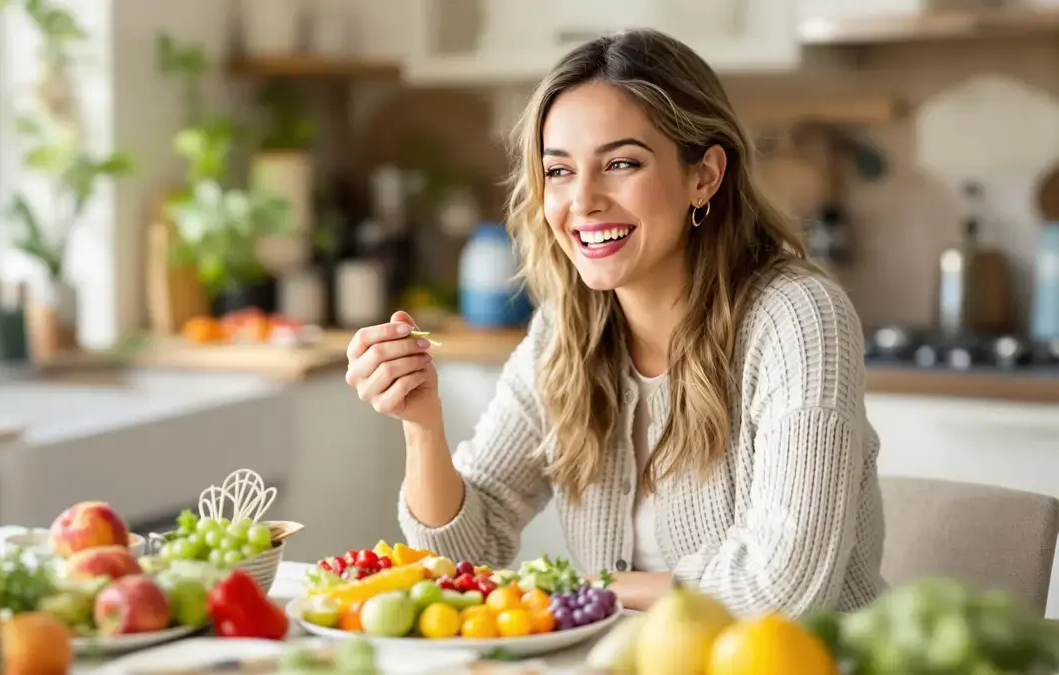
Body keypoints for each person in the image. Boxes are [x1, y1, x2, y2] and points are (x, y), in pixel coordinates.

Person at [343, 28, 886, 617]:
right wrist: (422, 425)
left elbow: (783, 591)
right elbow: (463, 553)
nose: (583, 201)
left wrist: (580, 591)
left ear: (704, 176)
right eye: (558, 171)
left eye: (621, 163)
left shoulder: (796, 319)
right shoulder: (564, 331)